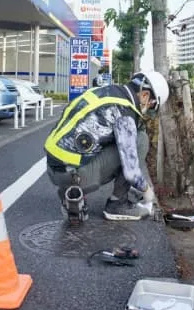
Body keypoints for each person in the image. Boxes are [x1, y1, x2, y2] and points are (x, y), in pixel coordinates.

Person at [44, 71, 169, 221]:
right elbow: (131, 172)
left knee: (112, 141)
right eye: (151, 105)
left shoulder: (105, 92)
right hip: (76, 175)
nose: (148, 109)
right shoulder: (124, 111)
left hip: (53, 169)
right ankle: (118, 205)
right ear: (145, 95)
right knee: (140, 139)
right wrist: (147, 191)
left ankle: (71, 192)